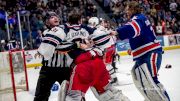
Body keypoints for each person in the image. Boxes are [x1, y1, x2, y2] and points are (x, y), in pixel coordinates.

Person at [58, 13, 129, 101]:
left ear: (68, 21)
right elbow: (107, 40)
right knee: (108, 93)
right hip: (97, 63)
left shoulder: (64, 30)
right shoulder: (88, 28)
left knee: (74, 96)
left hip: (82, 66)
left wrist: (77, 45)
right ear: (80, 20)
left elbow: (59, 47)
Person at [112, 1, 170, 101]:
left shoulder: (138, 18)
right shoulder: (141, 18)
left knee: (151, 82)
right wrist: (133, 48)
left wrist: (117, 32)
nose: (126, 11)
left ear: (132, 9)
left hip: (150, 53)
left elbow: (132, 28)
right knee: (144, 82)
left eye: (128, 9)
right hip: (145, 54)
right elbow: (142, 35)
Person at [33, 11, 72, 101]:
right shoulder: (46, 33)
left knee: (73, 96)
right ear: (47, 22)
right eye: (52, 17)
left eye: (56, 16)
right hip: (47, 70)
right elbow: (52, 46)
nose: (55, 18)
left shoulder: (64, 29)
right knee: (40, 97)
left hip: (64, 70)